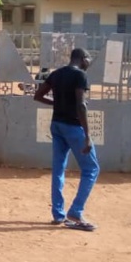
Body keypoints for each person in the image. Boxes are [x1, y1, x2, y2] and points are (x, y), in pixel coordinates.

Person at [33, 48, 100, 231]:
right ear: (82, 58)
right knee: (91, 169)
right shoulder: (80, 75)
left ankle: (58, 214)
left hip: (57, 125)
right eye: (88, 59)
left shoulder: (56, 74)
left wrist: (57, 104)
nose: (89, 63)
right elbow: (81, 105)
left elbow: (37, 96)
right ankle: (76, 212)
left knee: (58, 169)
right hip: (73, 127)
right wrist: (87, 136)